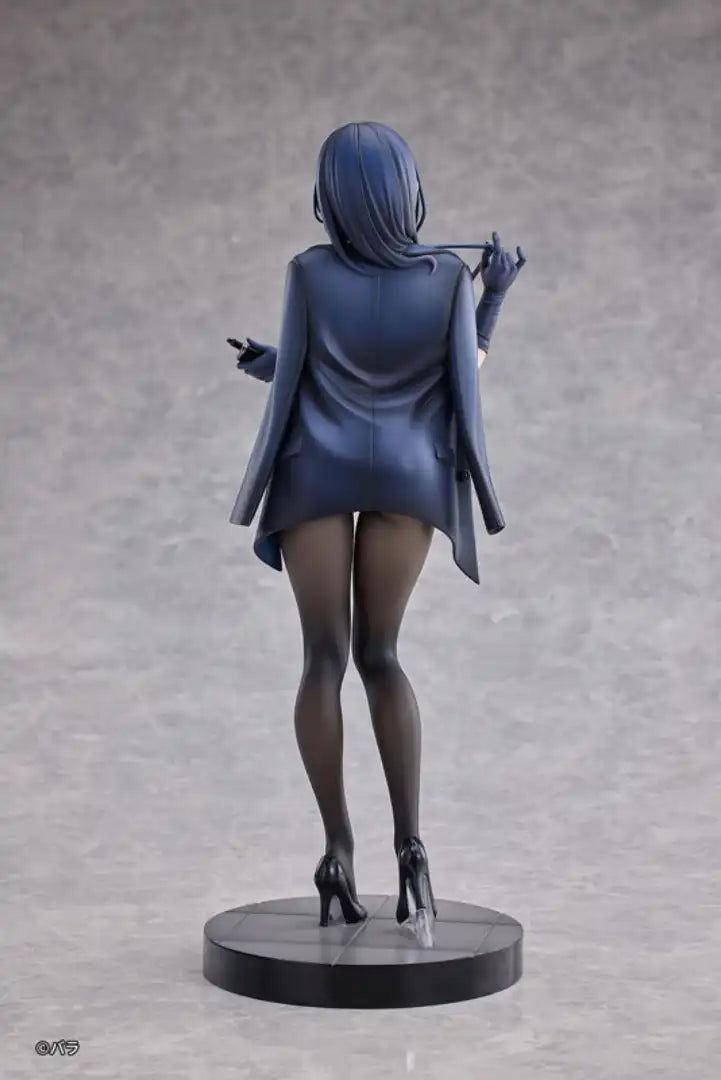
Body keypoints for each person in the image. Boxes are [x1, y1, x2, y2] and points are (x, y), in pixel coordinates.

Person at [227, 121, 526, 948]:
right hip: (407, 476)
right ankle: (413, 853)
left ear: (328, 195)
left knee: (322, 660)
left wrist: (265, 362)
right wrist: (492, 296)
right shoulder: (445, 277)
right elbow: (460, 376)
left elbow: (300, 379)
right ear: (406, 191)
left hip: (315, 474)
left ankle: (336, 852)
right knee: (381, 657)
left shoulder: (308, 271)